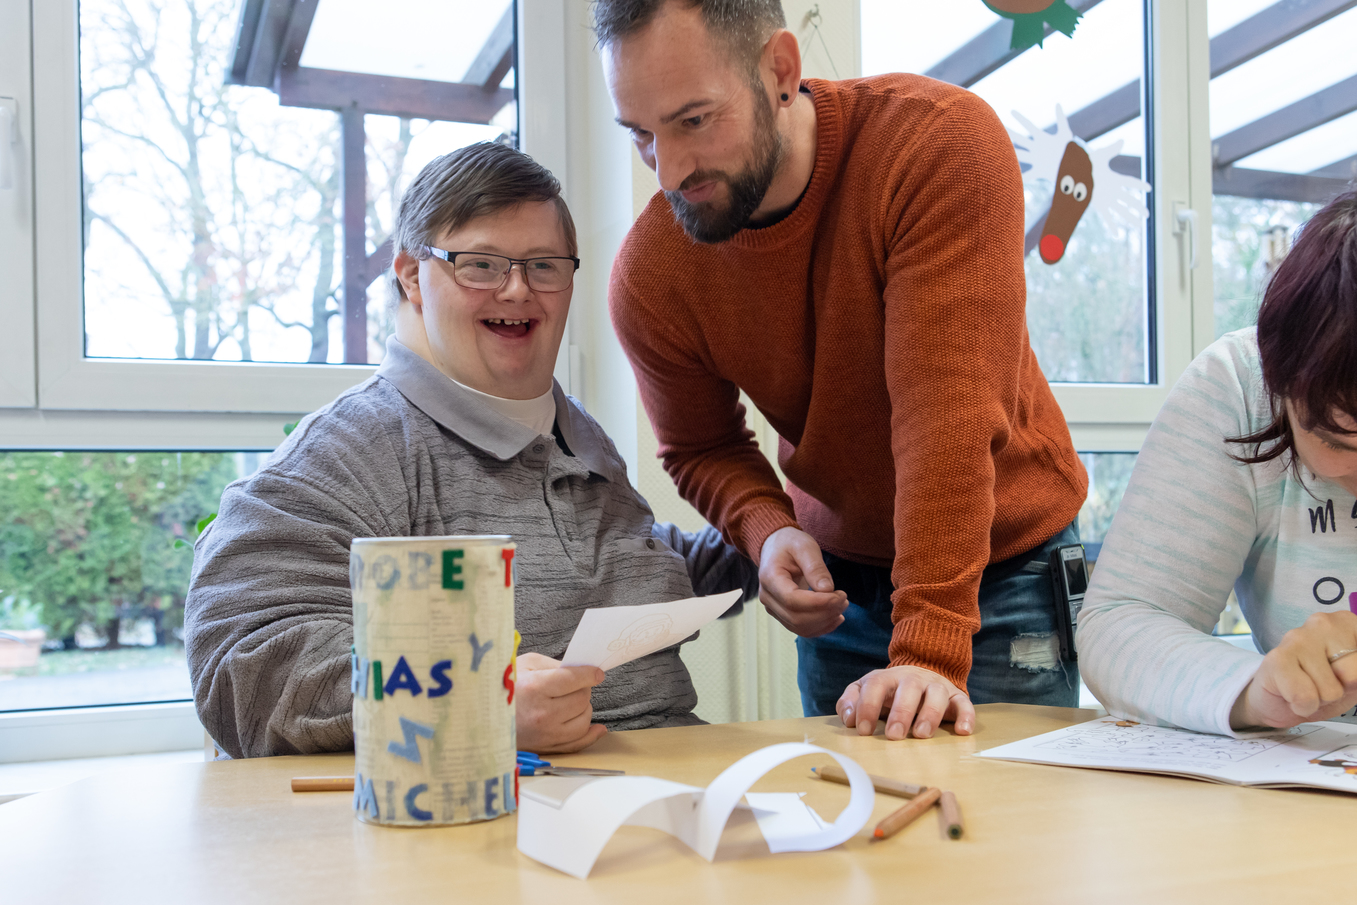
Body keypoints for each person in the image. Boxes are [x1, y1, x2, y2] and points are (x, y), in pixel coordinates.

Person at [595, 0, 1088, 740]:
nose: (667, 170)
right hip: (841, 588)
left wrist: (927, 648)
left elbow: (945, 423)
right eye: (639, 133)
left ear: (780, 71)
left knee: (1001, 810)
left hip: (1003, 570)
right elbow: (700, 446)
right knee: (851, 812)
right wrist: (767, 530)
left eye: (693, 120)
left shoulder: (937, 143)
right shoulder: (650, 275)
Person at [184, 143, 756, 759]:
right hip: (503, 808)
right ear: (411, 276)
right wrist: (477, 704)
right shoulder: (353, 448)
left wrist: (771, 541)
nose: (517, 290)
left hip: (675, 789)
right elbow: (243, 660)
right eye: (480, 265)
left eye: (544, 266)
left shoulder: (578, 434)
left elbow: (623, 566)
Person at [1078, 191, 1357, 735]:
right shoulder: (1240, 385)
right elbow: (1119, 626)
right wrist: (1255, 693)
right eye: (1339, 441)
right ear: (1281, 386)